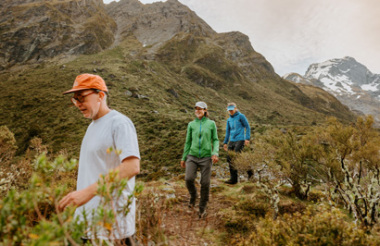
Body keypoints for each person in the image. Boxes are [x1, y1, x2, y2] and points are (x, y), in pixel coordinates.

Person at [58, 74, 140, 245]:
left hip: (112, 226)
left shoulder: (119, 123)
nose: (78, 104)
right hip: (87, 223)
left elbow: (132, 166)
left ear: (101, 95)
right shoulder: (92, 126)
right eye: (75, 99)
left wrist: (86, 193)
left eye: (82, 97)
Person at [180, 102, 219, 218]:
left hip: (206, 157)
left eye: (200, 109)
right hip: (192, 156)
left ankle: (202, 208)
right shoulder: (191, 124)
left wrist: (215, 152)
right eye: (196, 109)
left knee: (205, 183)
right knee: (188, 179)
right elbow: (188, 142)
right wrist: (183, 157)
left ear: (205, 110)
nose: (197, 110)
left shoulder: (211, 124)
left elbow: (215, 140)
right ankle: (193, 196)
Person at [223, 102, 252, 184]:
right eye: (229, 110)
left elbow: (247, 126)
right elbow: (227, 132)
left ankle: (250, 173)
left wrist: (247, 138)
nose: (231, 111)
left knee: (236, 157)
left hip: (240, 139)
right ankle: (233, 179)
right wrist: (225, 143)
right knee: (229, 159)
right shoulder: (229, 120)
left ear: (235, 108)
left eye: (232, 110)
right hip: (232, 141)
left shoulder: (241, 116)